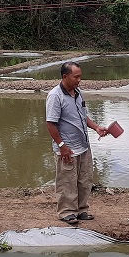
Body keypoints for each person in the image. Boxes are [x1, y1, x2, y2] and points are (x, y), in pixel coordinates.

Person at [45, 62, 108, 224]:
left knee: (84, 180)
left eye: (80, 76)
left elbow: (82, 116)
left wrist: (96, 128)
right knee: (67, 181)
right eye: (76, 77)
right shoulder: (55, 96)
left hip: (83, 146)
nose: (79, 80)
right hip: (67, 148)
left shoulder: (78, 93)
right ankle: (67, 212)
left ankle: (82, 210)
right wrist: (62, 146)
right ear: (65, 76)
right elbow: (50, 124)